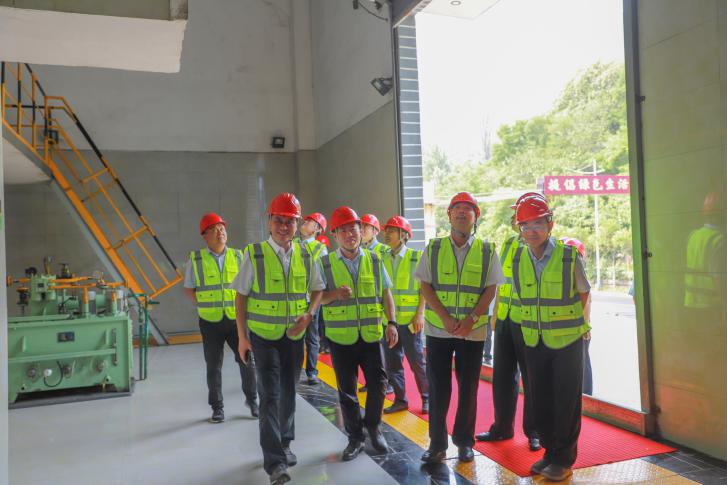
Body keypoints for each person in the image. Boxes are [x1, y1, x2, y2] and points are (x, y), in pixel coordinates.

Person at [234, 193, 323, 485]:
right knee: (270, 395)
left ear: (298, 224)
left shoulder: (307, 255)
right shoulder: (255, 254)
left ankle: (285, 442)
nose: (284, 227)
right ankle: (275, 463)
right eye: (279, 220)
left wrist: (310, 313)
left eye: (290, 221)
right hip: (263, 338)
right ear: (269, 221)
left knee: (288, 392)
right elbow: (241, 297)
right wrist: (242, 337)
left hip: (294, 338)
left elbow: (318, 289)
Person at [416, 192, 503, 464]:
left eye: (468, 209)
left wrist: (471, 320)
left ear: (476, 217)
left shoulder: (487, 250)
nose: (463, 212)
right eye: (457, 208)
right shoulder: (434, 248)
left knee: (468, 389)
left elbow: (491, 289)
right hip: (438, 330)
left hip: (472, 332)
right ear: (449, 215)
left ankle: (465, 442)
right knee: (439, 389)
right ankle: (437, 444)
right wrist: (443, 317)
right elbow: (425, 285)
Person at [511, 196, 591, 482]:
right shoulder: (519, 257)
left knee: (565, 401)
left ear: (550, 225)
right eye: (525, 225)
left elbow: (583, 293)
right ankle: (549, 451)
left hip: (567, 341)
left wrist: (577, 325)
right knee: (540, 399)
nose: (531, 231)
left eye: (537, 224)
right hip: (534, 340)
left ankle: (563, 459)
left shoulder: (568, 256)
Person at [318, 206, 399, 461]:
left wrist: (392, 323)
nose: (349, 234)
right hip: (340, 338)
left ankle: (373, 426)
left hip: (371, 334)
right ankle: (355, 438)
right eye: (343, 230)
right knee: (347, 391)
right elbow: (316, 298)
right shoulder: (325, 264)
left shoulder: (374, 260)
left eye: (353, 228)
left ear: (361, 231)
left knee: (379, 383)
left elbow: (386, 293)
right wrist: (334, 294)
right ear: (335, 235)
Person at [477, 192, 544, 451]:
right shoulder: (507, 244)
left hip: (528, 322)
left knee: (532, 378)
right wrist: (495, 317)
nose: (516, 218)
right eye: (516, 214)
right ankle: (502, 427)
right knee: (503, 377)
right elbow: (500, 284)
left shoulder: (542, 246)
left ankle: (535, 431)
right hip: (505, 320)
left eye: (521, 213)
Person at [183, 212, 258, 424]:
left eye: (222, 228)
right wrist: (204, 304)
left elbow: (248, 286)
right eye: (214, 229)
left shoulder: (239, 256)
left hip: (236, 320)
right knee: (213, 366)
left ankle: (253, 401)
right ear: (204, 235)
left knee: (247, 360)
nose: (220, 232)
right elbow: (189, 288)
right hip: (210, 322)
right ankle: (217, 408)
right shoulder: (196, 260)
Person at [381, 215, 429, 415]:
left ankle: (427, 398)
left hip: (410, 322)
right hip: (389, 322)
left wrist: (420, 314)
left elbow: (425, 288)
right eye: (387, 230)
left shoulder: (416, 257)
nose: (387, 234)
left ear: (403, 235)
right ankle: (401, 400)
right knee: (392, 364)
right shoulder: (382, 258)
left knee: (417, 363)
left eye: (392, 231)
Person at [359, 214, 394, 394]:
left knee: (386, 350)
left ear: (375, 231)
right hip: (370, 308)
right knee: (369, 349)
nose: (362, 230)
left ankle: (388, 383)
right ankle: (371, 381)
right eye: (361, 227)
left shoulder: (384, 251)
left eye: (366, 227)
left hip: (382, 306)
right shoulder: (360, 251)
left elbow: (388, 283)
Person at [299, 212, 329, 385]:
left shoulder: (320, 249)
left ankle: (311, 372)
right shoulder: (293, 244)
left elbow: (323, 276)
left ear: (317, 229)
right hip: (294, 300)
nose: (305, 222)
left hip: (311, 300)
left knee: (311, 336)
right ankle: (293, 369)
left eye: (310, 221)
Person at [561, 237, 593, 396]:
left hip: (579, 328)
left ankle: (585, 395)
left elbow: (586, 299)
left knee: (582, 363)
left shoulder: (577, 271)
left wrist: (584, 326)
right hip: (569, 327)